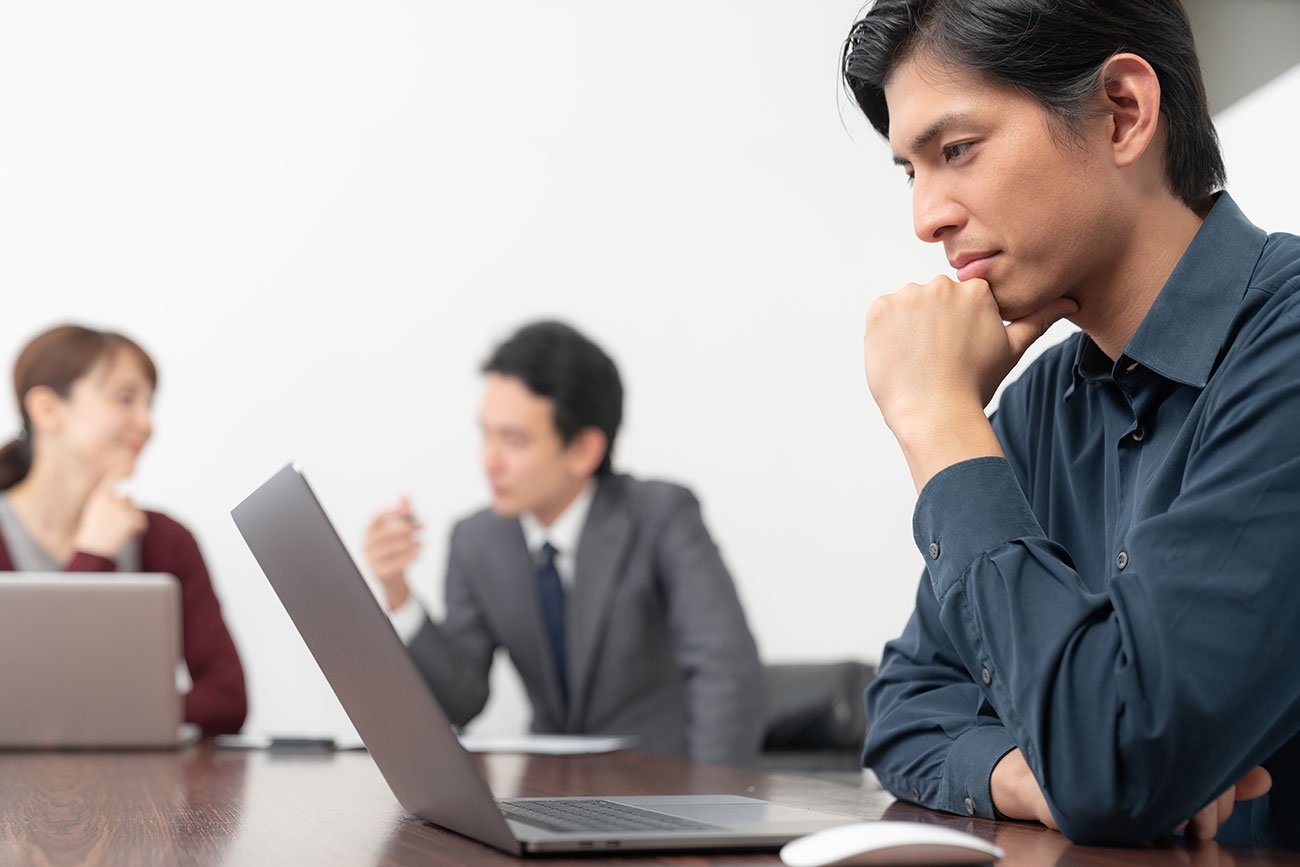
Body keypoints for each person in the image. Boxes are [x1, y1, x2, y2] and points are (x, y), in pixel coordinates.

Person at [841, 0, 1300, 848]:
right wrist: (1026, 772)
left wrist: (938, 418)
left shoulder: (1287, 346)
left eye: (957, 150)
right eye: (913, 170)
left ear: (1122, 112)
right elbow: (905, 708)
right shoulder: (1043, 400)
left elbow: (1117, 766)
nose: (926, 217)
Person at [364, 320, 765, 765]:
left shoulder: (661, 515)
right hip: (547, 798)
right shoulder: (477, 540)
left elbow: (725, 674)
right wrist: (398, 592)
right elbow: (462, 701)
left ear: (583, 450)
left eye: (513, 440)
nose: (489, 461)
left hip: (662, 790)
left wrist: (711, 816)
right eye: (486, 434)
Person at [0, 324, 247, 736]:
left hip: (140, 795)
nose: (147, 423)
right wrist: (92, 557)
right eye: (125, 398)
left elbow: (227, 700)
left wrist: (72, 712)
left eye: (150, 404)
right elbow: (19, 701)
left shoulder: (166, 540)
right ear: (47, 409)